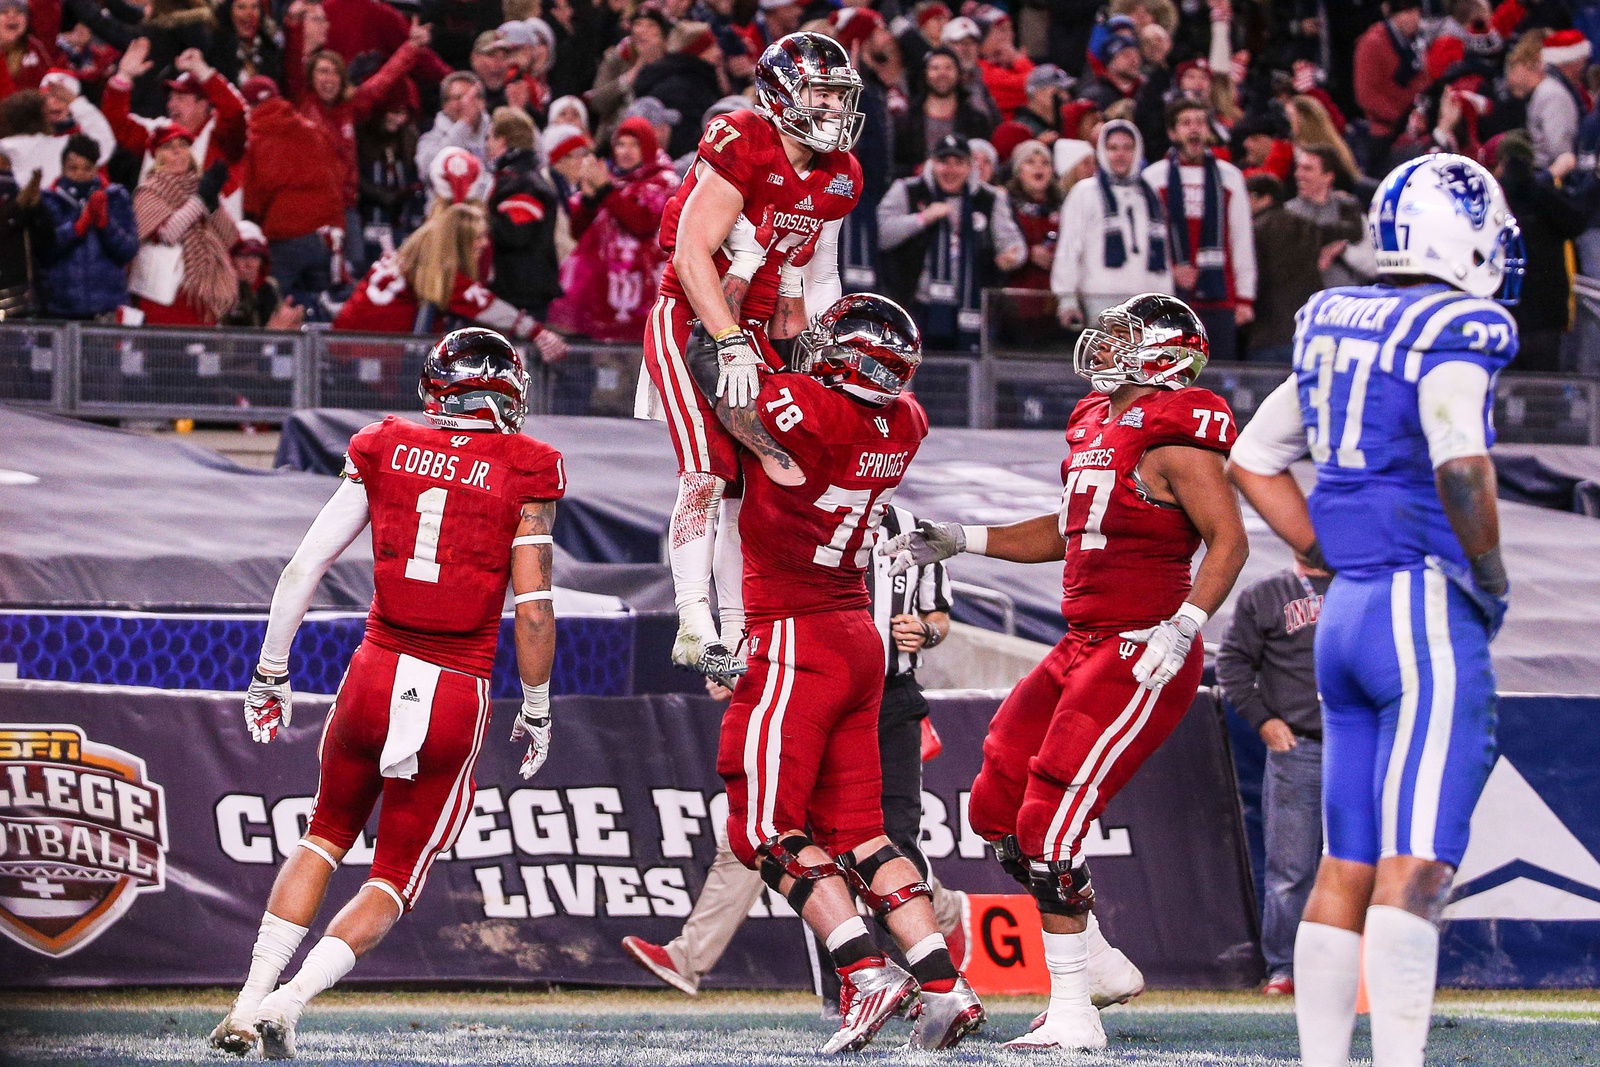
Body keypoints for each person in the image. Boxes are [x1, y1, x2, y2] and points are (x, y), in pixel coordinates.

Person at [883, 292, 1248, 1051]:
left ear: (1165, 357)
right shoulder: (1094, 422)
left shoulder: (1179, 430)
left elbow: (1228, 542)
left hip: (1141, 645)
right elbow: (1068, 527)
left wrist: (1185, 626)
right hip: (1082, 639)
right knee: (997, 800)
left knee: (1050, 820)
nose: (1103, 348)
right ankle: (1103, 961)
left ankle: (1075, 1011)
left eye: (1125, 338)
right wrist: (963, 538)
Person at [1226, 152, 1519, 1067]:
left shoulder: (1333, 317)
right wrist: (1493, 571)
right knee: (1416, 865)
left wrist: (1320, 550)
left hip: (1347, 614)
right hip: (1421, 609)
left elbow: (1253, 454)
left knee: (1344, 865)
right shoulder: (1458, 324)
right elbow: (1460, 457)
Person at [208, 328, 566, 1059]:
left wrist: (271, 670)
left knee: (323, 833)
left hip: (372, 673)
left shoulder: (383, 442)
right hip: (453, 689)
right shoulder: (529, 466)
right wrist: (536, 705)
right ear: (504, 392)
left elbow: (303, 566)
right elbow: (533, 610)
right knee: (394, 875)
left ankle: (247, 1001)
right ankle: (290, 1001)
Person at [680, 292, 984, 1053]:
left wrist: (716, 321)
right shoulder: (905, 420)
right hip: (858, 635)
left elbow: (721, 388)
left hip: (797, 636)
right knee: (863, 834)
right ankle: (944, 984)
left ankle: (862, 970)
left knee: (760, 830)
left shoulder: (805, 408)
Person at [620, 502, 968, 1000]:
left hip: (878, 694)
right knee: (774, 829)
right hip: (803, 674)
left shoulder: (910, 528)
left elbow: (937, 614)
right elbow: (755, 589)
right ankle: (865, 981)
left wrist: (927, 631)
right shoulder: (802, 515)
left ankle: (916, 972)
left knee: (857, 837)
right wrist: (748, 656)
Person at [636, 31, 860, 682]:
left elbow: (820, 277)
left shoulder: (840, 174)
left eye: (840, 96)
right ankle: (692, 620)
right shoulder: (742, 139)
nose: (835, 109)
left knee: (752, 485)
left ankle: (736, 633)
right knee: (705, 471)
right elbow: (686, 255)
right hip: (692, 318)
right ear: (783, 92)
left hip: (758, 328)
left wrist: (824, 353)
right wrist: (729, 340)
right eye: (822, 93)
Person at [1216, 560, 1331, 997]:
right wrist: (1263, 720)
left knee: (1368, 861)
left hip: (1361, 746)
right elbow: (1231, 664)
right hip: (1299, 745)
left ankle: (1364, 966)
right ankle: (1285, 968)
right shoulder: (1265, 594)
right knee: (1292, 866)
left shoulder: (1366, 584)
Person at [334, 201, 563, 356]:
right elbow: (490, 306)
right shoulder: (437, 272)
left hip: (343, 347)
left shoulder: (405, 259)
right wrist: (538, 332)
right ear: (458, 241)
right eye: (478, 237)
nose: (484, 243)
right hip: (369, 357)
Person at [876, 133, 1025, 352]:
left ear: (970, 167)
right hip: (916, 306)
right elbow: (882, 236)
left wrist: (1011, 258)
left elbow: (1014, 245)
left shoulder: (989, 199)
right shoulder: (907, 190)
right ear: (932, 163)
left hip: (970, 308)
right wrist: (922, 219)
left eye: (959, 163)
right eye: (944, 162)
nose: (951, 170)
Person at [545, 113, 678, 342]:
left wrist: (605, 189)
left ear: (647, 146)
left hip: (648, 293)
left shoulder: (665, 181)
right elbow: (578, 231)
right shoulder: (610, 181)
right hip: (606, 294)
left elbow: (641, 223)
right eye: (620, 145)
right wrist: (589, 199)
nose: (625, 152)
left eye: (634, 145)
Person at [1144, 99, 1255, 363]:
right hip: (1168, 299)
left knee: (1217, 377)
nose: (1194, 130)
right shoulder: (1153, 178)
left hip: (1219, 298)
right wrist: (1171, 271)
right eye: (1186, 123)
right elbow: (1148, 242)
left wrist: (1245, 297)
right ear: (1172, 133)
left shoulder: (1230, 177)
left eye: (1200, 123)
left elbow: (1241, 239)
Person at [238, 80, 346, 314]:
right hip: (325, 236)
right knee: (321, 312)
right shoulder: (314, 129)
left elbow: (252, 198)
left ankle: (268, 350)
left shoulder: (254, 137)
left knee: (269, 305)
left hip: (284, 236)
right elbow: (339, 176)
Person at [1052, 118, 1169, 328]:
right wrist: (1067, 299)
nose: (1120, 154)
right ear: (1102, 151)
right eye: (1113, 148)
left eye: (1127, 148)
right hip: (1100, 305)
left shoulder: (1149, 195)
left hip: (1146, 310)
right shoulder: (1085, 192)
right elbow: (1069, 249)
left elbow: (1162, 258)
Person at [102, 42, 247, 201]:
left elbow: (236, 111)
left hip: (210, 224)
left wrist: (202, 70)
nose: (171, 105)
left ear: (203, 104)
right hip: (157, 222)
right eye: (170, 98)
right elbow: (115, 123)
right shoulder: (159, 132)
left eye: (181, 98)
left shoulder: (222, 136)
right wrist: (124, 76)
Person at [131, 128, 238, 325]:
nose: (177, 151)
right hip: (165, 295)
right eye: (168, 147)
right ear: (157, 155)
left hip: (203, 293)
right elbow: (167, 234)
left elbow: (230, 238)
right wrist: (199, 200)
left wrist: (212, 204)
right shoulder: (148, 191)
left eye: (183, 146)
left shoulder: (203, 187)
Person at [38, 133, 139, 319]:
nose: (79, 175)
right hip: (59, 309)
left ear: (96, 169)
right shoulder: (47, 200)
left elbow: (128, 250)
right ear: (62, 168)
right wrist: (76, 228)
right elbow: (43, 252)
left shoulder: (116, 198)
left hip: (107, 308)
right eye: (73, 168)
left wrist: (105, 224)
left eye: (87, 169)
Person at [484, 106, 560, 324]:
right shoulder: (521, 178)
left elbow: (515, 234)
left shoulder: (522, 184)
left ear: (502, 140)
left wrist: (480, 222)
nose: (487, 144)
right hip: (520, 290)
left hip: (521, 294)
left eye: (490, 137)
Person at [1244, 174, 1325, 364]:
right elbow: (1347, 231)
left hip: (1266, 334)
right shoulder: (1308, 226)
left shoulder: (1253, 231)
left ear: (1264, 198)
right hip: (1305, 331)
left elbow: (1255, 282)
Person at [1285, 146, 1376, 291]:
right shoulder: (1287, 213)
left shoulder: (1348, 209)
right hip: (1301, 302)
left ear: (1328, 176)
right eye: (1298, 168)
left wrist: (1343, 250)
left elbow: (1373, 266)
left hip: (1346, 300)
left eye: (1307, 169)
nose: (1298, 174)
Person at [892, 46, 992, 178]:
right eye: (935, 68)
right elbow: (893, 165)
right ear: (925, 74)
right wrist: (916, 169)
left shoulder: (977, 120)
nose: (942, 74)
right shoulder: (905, 120)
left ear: (959, 74)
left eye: (948, 68)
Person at [1352, 0, 1429, 159]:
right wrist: (1402, 120)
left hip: (1416, 127)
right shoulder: (1371, 43)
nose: (1415, 18)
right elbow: (1366, 96)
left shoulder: (1417, 42)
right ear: (1394, 15)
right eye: (1408, 13)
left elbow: (1423, 82)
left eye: (1416, 12)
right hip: (1384, 133)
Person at [222, 220, 304, 329]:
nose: (250, 264)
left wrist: (291, 324)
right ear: (229, 260)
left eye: (255, 256)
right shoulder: (220, 294)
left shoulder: (270, 286)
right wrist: (272, 332)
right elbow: (224, 344)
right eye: (242, 256)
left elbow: (280, 329)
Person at [1527, 29, 1590, 171]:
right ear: (1571, 62)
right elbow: (1558, 147)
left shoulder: (1555, 87)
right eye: (1582, 60)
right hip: (1553, 174)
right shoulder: (1556, 94)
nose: (1584, 66)